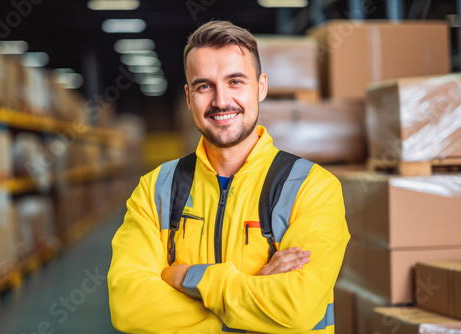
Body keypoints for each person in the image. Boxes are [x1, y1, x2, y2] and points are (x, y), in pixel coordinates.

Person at [108, 20, 350, 334]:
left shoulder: (313, 188)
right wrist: (247, 306)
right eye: (204, 86)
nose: (221, 101)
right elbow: (129, 307)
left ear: (261, 86)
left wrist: (187, 278)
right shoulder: (155, 190)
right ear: (188, 96)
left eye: (235, 81)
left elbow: (296, 309)